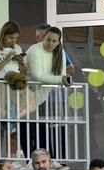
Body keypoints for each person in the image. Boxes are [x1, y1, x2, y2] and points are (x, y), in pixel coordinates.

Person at [0, 21, 28, 159]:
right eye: (10, 38)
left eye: (15, 38)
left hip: (14, 87)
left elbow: (23, 72)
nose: (13, 41)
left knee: (13, 125)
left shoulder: (18, 48)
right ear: (3, 36)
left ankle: (12, 158)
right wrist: (7, 60)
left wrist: (21, 63)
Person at [24, 26, 70, 159]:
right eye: (48, 40)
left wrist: (61, 79)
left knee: (44, 129)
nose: (51, 43)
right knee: (29, 130)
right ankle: (30, 160)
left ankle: (49, 159)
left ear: (58, 42)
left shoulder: (60, 53)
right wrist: (60, 80)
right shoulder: (34, 50)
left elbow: (62, 74)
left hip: (43, 96)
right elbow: (38, 76)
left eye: (54, 41)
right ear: (44, 38)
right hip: (26, 95)